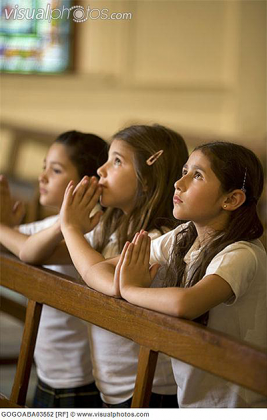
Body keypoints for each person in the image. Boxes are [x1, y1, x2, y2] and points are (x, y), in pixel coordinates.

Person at [18, 124, 189, 408]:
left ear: (146, 180)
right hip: (114, 387)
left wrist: (71, 227)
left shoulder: (159, 239)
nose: (101, 170)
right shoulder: (109, 229)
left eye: (117, 161)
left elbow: (110, 283)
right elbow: (31, 253)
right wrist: (65, 222)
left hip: (149, 391)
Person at [116, 141, 267, 408]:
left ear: (231, 199)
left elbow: (184, 304)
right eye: (184, 171)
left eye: (197, 175)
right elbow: (101, 268)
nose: (179, 183)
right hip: (192, 400)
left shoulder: (243, 254)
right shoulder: (185, 236)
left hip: (235, 406)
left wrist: (129, 290)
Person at [0, 130, 108, 408]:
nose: (43, 177)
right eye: (43, 167)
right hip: (46, 372)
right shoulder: (48, 229)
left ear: (88, 183)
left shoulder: (90, 234)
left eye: (56, 170)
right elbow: (18, 243)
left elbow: (27, 250)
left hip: (75, 382)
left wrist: (4, 228)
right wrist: (8, 228)